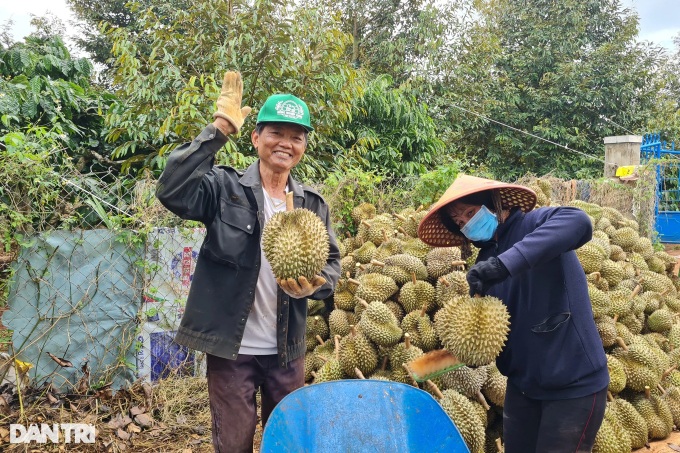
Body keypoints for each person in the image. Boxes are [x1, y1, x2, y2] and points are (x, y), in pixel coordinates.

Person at [156, 71, 341, 452]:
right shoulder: (223, 188)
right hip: (232, 349)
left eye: (296, 137)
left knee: (287, 443)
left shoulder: (313, 205)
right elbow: (171, 190)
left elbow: (333, 262)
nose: (285, 144)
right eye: (276, 133)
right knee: (233, 443)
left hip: (287, 350)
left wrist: (319, 283)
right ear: (256, 138)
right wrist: (219, 128)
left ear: (304, 146)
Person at [417, 174, 609, 453]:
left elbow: (579, 222)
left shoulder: (534, 224)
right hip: (523, 389)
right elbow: (482, 337)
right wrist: (428, 366)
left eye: (470, 213)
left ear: (494, 204)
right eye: (460, 223)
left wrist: (504, 265)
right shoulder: (483, 264)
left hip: (573, 387)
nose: (467, 224)